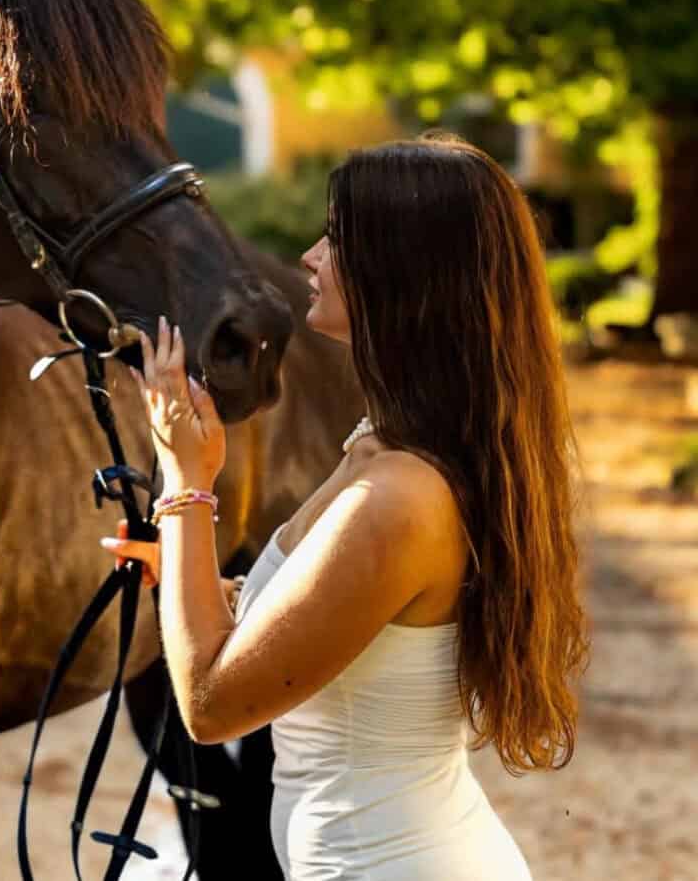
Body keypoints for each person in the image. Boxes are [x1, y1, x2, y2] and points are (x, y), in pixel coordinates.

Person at [102, 134, 589, 880]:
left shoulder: (396, 499)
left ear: (402, 273)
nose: (309, 254)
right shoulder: (384, 447)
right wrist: (188, 574)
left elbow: (210, 706)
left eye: (337, 236)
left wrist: (185, 482)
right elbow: (327, 627)